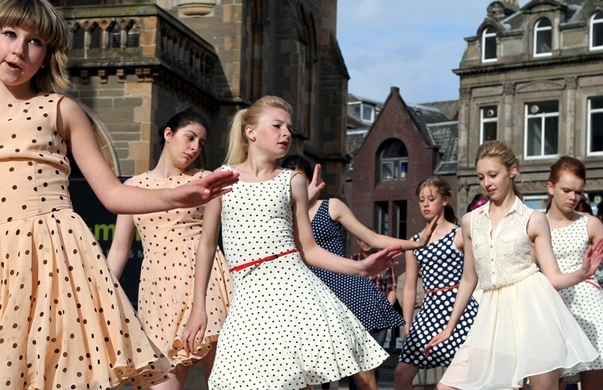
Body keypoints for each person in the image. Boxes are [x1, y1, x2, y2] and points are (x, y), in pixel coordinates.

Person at [0, 0, 238, 389]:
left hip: (61, 257)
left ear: (47, 54)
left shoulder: (60, 109)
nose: (19, 49)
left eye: (35, 41)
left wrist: (181, 195)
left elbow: (112, 194)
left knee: (64, 373)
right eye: (10, 34)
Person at [182, 95, 404, 390]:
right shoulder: (221, 179)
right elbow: (207, 245)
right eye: (277, 125)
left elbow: (309, 250)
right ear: (251, 132)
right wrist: (199, 308)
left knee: (295, 381)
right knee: (234, 380)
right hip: (247, 296)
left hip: (293, 290)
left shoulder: (292, 181)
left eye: (289, 127)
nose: (286, 133)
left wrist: (361, 267)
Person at [428, 140, 602, 390]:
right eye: (481, 177)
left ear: (512, 171)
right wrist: (450, 326)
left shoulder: (534, 219)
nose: (487, 182)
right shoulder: (470, 221)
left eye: (493, 175)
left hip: (535, 310)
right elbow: (469, 279)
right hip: (492, 313)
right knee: (447, 386)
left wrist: (583, 272)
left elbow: (552, 277)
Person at [281, 155, 432, 389]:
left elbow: (371, 237)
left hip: (345, 293)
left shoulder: (330, 206)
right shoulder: (281, 215)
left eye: (299, 179)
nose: (294, 186)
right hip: (307, 298)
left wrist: (413, 243)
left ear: (310, 181)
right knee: (304, 374)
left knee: (362, 375)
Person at [107, 110, 232, 390]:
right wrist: (101, 299)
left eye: (201, 143)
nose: (194, 148)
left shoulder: (207, 180)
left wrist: (199, 306)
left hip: (206, 283)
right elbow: (118, 250)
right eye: (190, 137)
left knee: (224, 383)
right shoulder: (134, 186)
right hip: (157, 291)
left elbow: (209, 242)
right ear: (168, 134)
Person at [394, 177, 479, 390]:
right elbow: (410, 286)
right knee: (402, 371)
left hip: (459, 308)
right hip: (429, 309)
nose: (425, 204)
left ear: (445, 200)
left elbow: (474, 274)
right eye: (421, 199)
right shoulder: (415, 241)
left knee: (458, 374)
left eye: (431, 199)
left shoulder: (459, 233)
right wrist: (406, 325)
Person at [544, 156, 603, 390]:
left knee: (594, 379)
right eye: (567, 190)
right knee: (551, 380)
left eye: (578, 192)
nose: (573, 197)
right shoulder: (535, 224)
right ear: (550, 187)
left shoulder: (590, 223)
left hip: (590, 308)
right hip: (553, 308)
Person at [396, 272, 445, 390]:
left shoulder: (436, 273)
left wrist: (419, 298)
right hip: (415, 328)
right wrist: (428, 297)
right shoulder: (403, 278)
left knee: (435, 376)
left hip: (437, 327)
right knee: (412, 377)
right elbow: (403, 301)